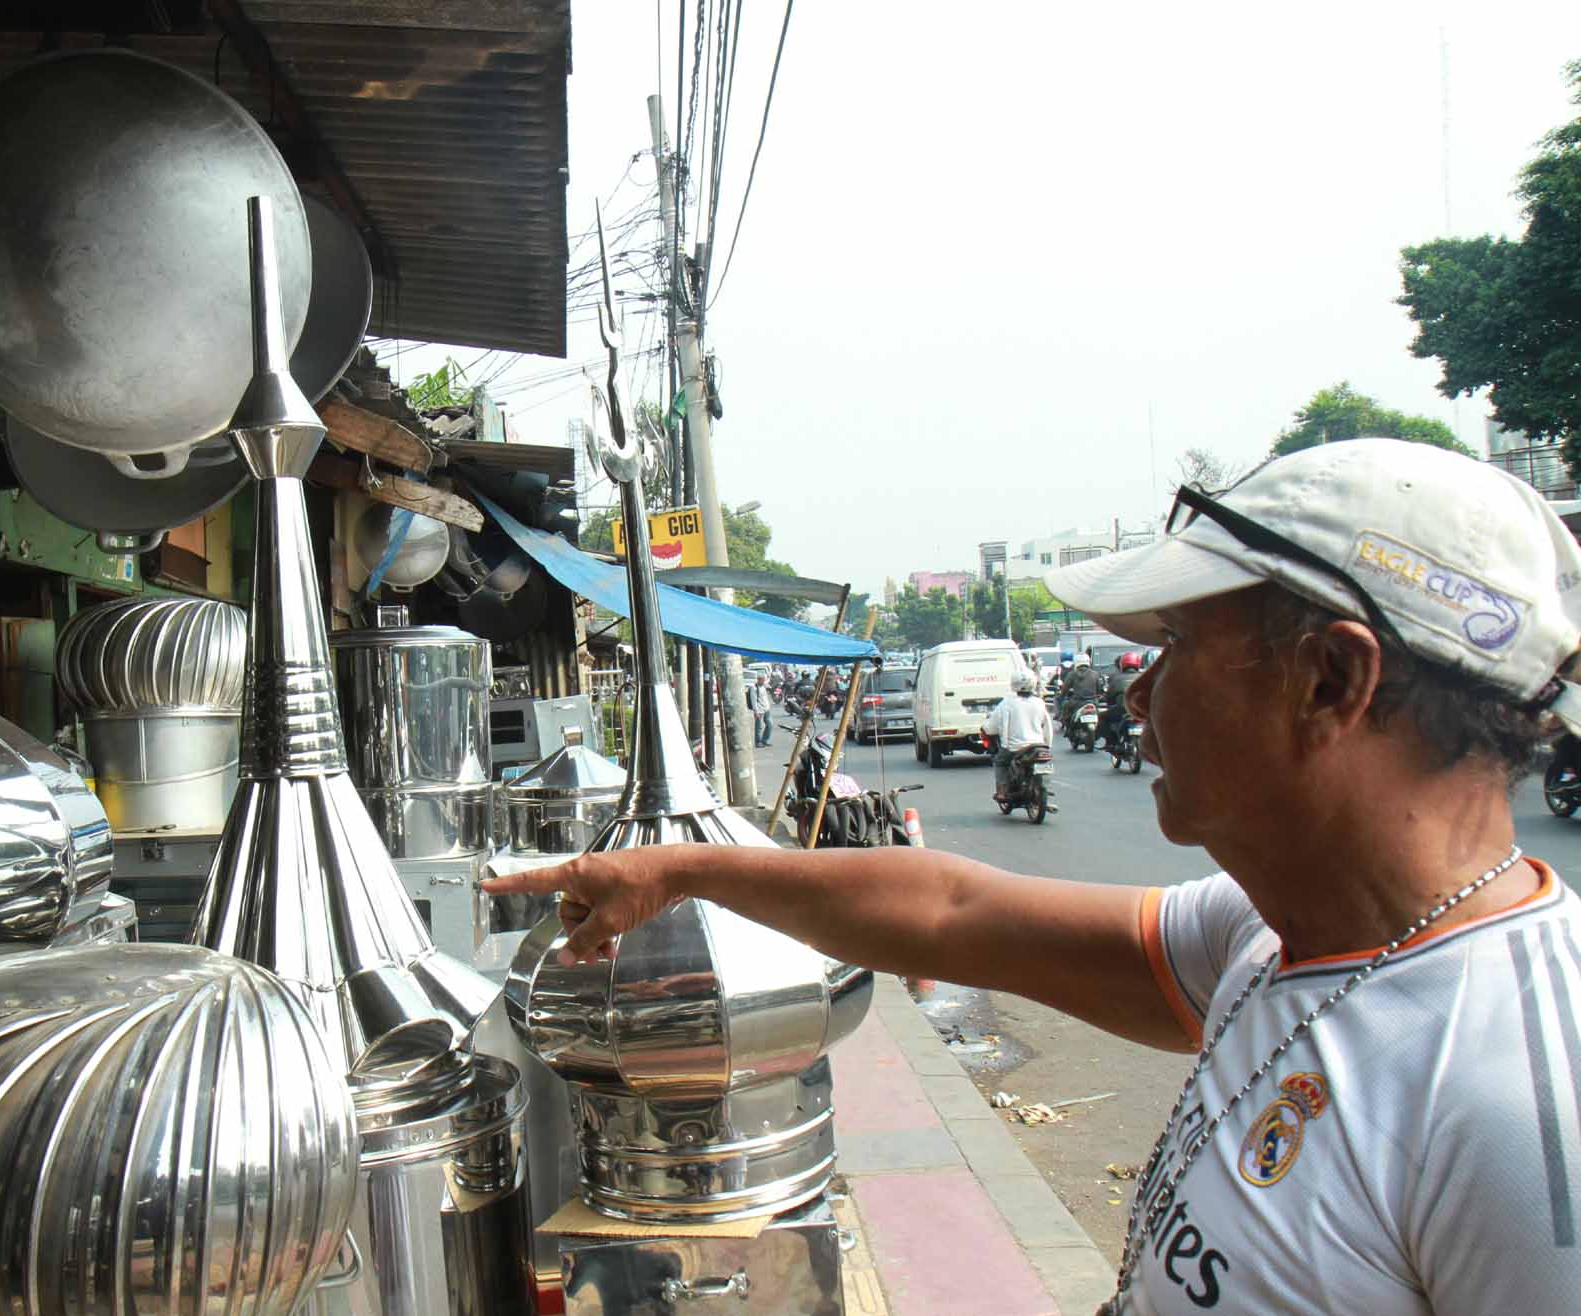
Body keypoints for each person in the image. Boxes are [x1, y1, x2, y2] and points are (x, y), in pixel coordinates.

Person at [486, 439, 1581, 1314]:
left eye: (1174, 647)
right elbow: (951, 907)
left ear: (1329, 678)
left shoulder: (1524, 1101)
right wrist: (678, 868)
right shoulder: (1269, 938)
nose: (1137, 694)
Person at [982, 667, 1052, 801]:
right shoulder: (1039, 702)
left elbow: (991, 727)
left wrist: (986, 728)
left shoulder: (1007, 703)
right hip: (1038, 745)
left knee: (1000, 762)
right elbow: (1046, 724)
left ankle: (1002, 791)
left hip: (1015, 747)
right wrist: (1046, 743)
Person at [1097, 650, 1143, 748]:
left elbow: (1109, 697)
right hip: (1141, 710)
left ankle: (1111, 742)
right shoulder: (1143, 677)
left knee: (1102, 717)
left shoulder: (1116, 679)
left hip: (1122, 710)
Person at [1059, 651, 1102, 725]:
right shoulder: (1095, 674)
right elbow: (1099, 689)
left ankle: (1067, 725)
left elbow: (1065, 688)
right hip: (1093, 702)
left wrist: (1062, 695)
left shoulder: (1072, 674)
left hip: (1077, 702)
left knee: (1065, 706)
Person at [748, 674, 774, 747]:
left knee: (770, 724)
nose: (763, 681)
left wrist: (768, 706)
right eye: (762, 680)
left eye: (764, 680)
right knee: (759, 727)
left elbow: (765, 697)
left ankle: (765, 740)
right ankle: (758, 742)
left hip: (766, 709)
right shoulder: (754, 688)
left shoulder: (763, 686)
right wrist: (755, 711)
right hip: (759, 710)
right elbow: (753, 701)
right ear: (758, 679)